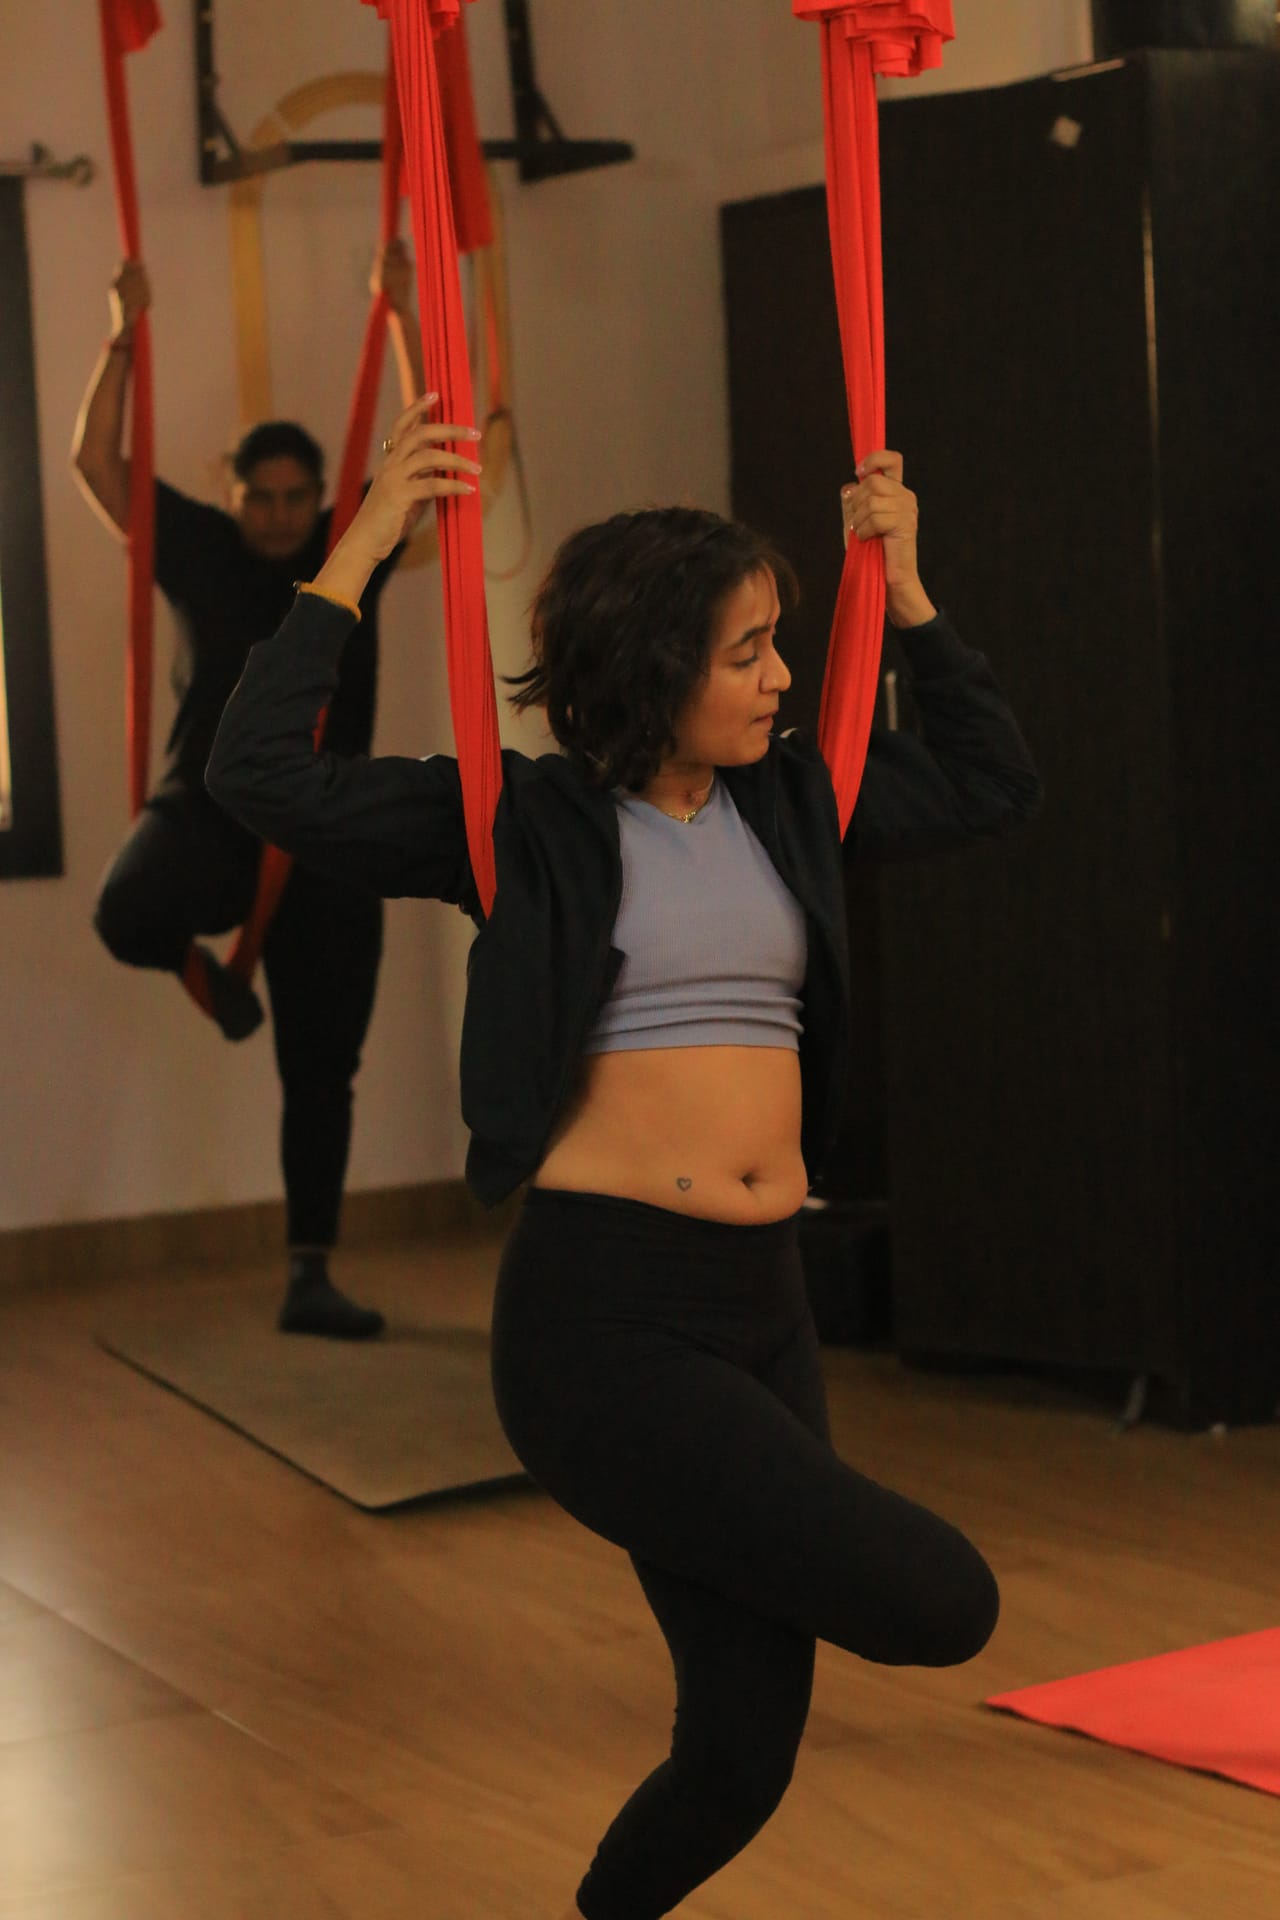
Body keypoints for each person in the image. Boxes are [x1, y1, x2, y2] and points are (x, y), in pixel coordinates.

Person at [206, 393, 1043, 1918]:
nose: (782, 677)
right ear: (653, 670)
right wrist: (367, 544)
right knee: (944, 1602)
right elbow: (257, 775)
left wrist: (908, 591)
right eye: (748, 652)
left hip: (761, 1310)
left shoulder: (796, 797)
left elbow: (994, 779)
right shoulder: (517, 825)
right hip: (605, 1329)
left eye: (782, 641)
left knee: (741, 1752)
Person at [71, 242, 427, 1340]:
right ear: (232, 497)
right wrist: (122, 334)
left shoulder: (351, 547)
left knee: (322, 1067)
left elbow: (441, 453)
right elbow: (97, 459)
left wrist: (403, 317)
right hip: (212, 811)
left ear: (321, 498)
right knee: (127, 910)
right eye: (258, 498)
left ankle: (308, 1271)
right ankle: (207, 974)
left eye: (294, 498)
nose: (277, 515)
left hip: (328, 834)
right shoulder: (203, 550)